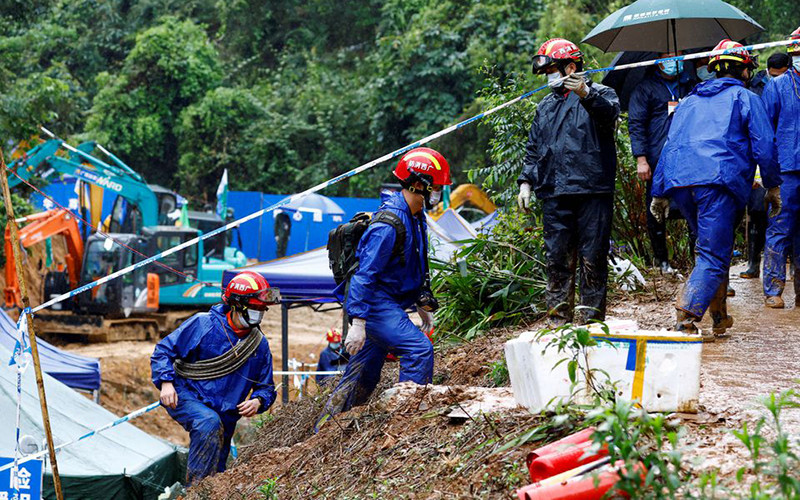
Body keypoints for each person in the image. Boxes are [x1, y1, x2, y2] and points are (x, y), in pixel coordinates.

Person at [650, 39, 782, 336]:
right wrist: (773, 186)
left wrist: (658, 192)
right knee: (713, 253)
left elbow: (668, 147)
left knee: (712, 247)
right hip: (718, 183)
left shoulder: (689, 102)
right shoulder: (745, 98)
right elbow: (765, 145)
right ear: (745, 70)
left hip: (683, 185)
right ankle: (685, 316)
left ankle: (719, 316)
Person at [315, 147, 449, 431]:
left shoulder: (415, 216)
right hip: (375, 304)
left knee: (364, 371)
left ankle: (325, 429)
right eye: (437, 186)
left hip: (389, 303)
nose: (439, 192)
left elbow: (410, 265)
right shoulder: (388, 224)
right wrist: (359, 322)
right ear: (420, 184)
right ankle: (404, 424)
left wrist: (421, 302)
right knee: (418, 349)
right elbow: (365, 275)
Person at [517, 38, 620, 325]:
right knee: (557, 260)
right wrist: (526, 181)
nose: (548, 76)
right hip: (554, 192)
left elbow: (609, 116)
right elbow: (534, 148)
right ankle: (557, 322)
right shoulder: (546, 106)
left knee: (593, 258)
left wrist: (586, 93)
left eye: (552, 69)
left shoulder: (602, 93)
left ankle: (590, 323)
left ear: (570, 67)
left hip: (592, 190)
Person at [151, 271, 278, 484]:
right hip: (187, 395)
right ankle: (196, 493)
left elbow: (266, 387)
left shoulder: (258, 344)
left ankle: (208, 491)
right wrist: (166, 383)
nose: (259, 313)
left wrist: (258, 401)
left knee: (217, 468)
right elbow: (163, 351)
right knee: (207, 423)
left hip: (226, 414)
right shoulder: (203, 324)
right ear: (237, 305)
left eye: (261, 309)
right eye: (254, 308)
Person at [628, 52, 695, 272]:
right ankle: (662, 262)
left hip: (690, 158)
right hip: (658, 160)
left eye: (677, 55)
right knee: (656, 209)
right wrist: (641, 159)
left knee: (694, 207)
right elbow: (636, 124)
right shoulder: (645, 89)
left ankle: (698, 260)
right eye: (667, 56)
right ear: (658, 60)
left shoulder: (691, 84)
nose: (673, 60)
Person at [761, 28, 800, 308]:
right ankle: (773, 289)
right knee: (780, 227)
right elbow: (764, 131)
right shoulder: (777, 86)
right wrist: (763, 172)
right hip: (785, 169)